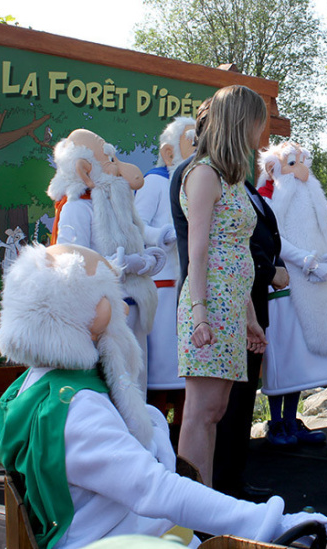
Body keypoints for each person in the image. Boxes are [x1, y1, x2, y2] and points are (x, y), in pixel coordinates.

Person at [0, 244, 327, 549]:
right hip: (119, 539)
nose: (124, 313)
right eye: (114, 301)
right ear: (89, 314)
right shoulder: (79, 408)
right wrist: (273, 522)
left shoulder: (33, 388)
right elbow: (155, 489)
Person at [172, 99, 287, 501]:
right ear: (240, 123)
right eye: (258, 123)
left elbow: (237, 252)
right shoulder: (202, 174)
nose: (261, 133)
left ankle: (204, 501)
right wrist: (200, 314)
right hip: (208, 305)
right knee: (200, 413)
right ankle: (191, 507)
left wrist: (250, 316)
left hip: (232, 306)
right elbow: (198, 251)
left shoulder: (232, 177)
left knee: (216, 413)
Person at [47, 129, 170, 393]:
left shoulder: (116, 205)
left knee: (136, 385)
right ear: (85, 169)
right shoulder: (76, 207)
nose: (117, 169)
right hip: (103, 316)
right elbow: (71, 265)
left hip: (131, 307)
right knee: (114, 389)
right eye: (108, 161)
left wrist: (145, 260)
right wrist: (120, 265)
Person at [256, 142, 327, 446]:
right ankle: (276, 421)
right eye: (292, 163)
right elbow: (273, 238)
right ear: (273, 169)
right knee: (283, 350)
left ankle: (293, 418)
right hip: (283, 284)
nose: (301, 169)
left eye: (302, 161)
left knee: (301, 356)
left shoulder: (313, 195)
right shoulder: (267, 198)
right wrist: (307, 261)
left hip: (316, 283)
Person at [135, 117, 196, 402]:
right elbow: (137, 225)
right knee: (162, 369)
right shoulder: (155, 182)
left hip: (190, 288)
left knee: (188, 372)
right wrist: (164, 234)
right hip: (163, 286)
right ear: (170, 152)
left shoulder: (200, 183)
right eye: (192, 141)